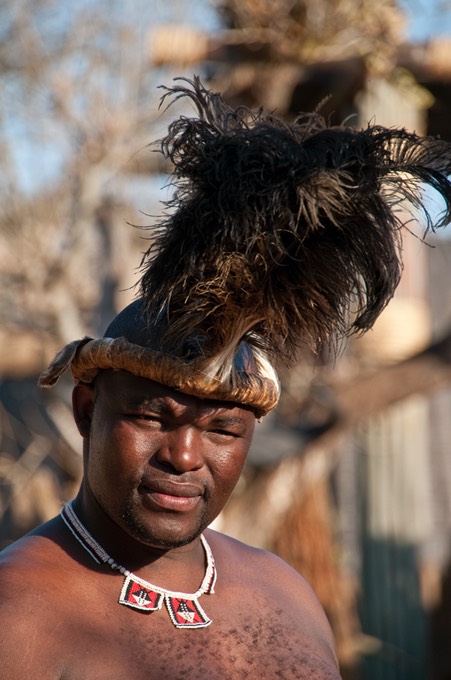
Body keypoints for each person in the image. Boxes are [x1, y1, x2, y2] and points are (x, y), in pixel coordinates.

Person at [2, 76, 451, 680]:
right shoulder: (20, 614)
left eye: (222, 429)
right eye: (152, 416)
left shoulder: (285, 592)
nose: (185, 455)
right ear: (87, 410)